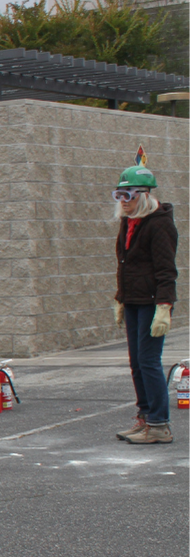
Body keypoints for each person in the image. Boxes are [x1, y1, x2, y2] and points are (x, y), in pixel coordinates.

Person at [112, 163, 177, 445]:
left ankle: (159, 424)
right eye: (119, 195)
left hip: (152, 302)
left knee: (149, 362)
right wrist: (121, 298)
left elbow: (166, 269)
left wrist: (164, 306)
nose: (123, 201)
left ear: (145, 195)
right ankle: (146, 416)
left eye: (128, 195)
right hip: (134, 300)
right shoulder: (129, 222)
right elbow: (125, 264)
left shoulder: (159, 223)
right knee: (137, 362)